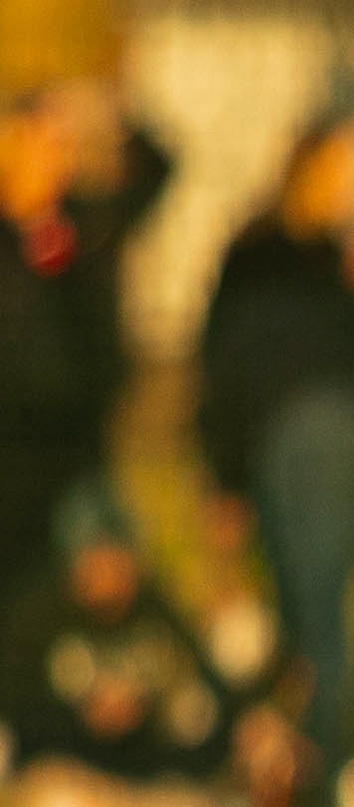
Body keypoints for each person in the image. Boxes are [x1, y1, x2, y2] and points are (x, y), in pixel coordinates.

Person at [198, 116, 354, 762]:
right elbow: (223, 372)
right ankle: (310, 757)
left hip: (329, 438)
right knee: (296, 615)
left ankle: (336, 763)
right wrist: (226, 479)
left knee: (323, 610)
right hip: (272, 442)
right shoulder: (259, 254)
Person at [2, 479, 302, 807]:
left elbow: (211, 694)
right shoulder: (37, 618)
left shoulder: (158, 613)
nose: (105, 569)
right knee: (50, 806)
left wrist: (255, 723)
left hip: (146, 786)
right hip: (63, 774)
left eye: (114, 554)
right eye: (93, 555)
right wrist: (81, 714)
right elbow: (17, 712)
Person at [0, 80, 171, 607]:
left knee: (117, 591)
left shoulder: (84, 223)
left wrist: (116, 107)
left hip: (81, 442)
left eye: (63, 144)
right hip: (16, 448)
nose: (57, 157)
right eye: (43, 143)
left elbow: (161, 171)